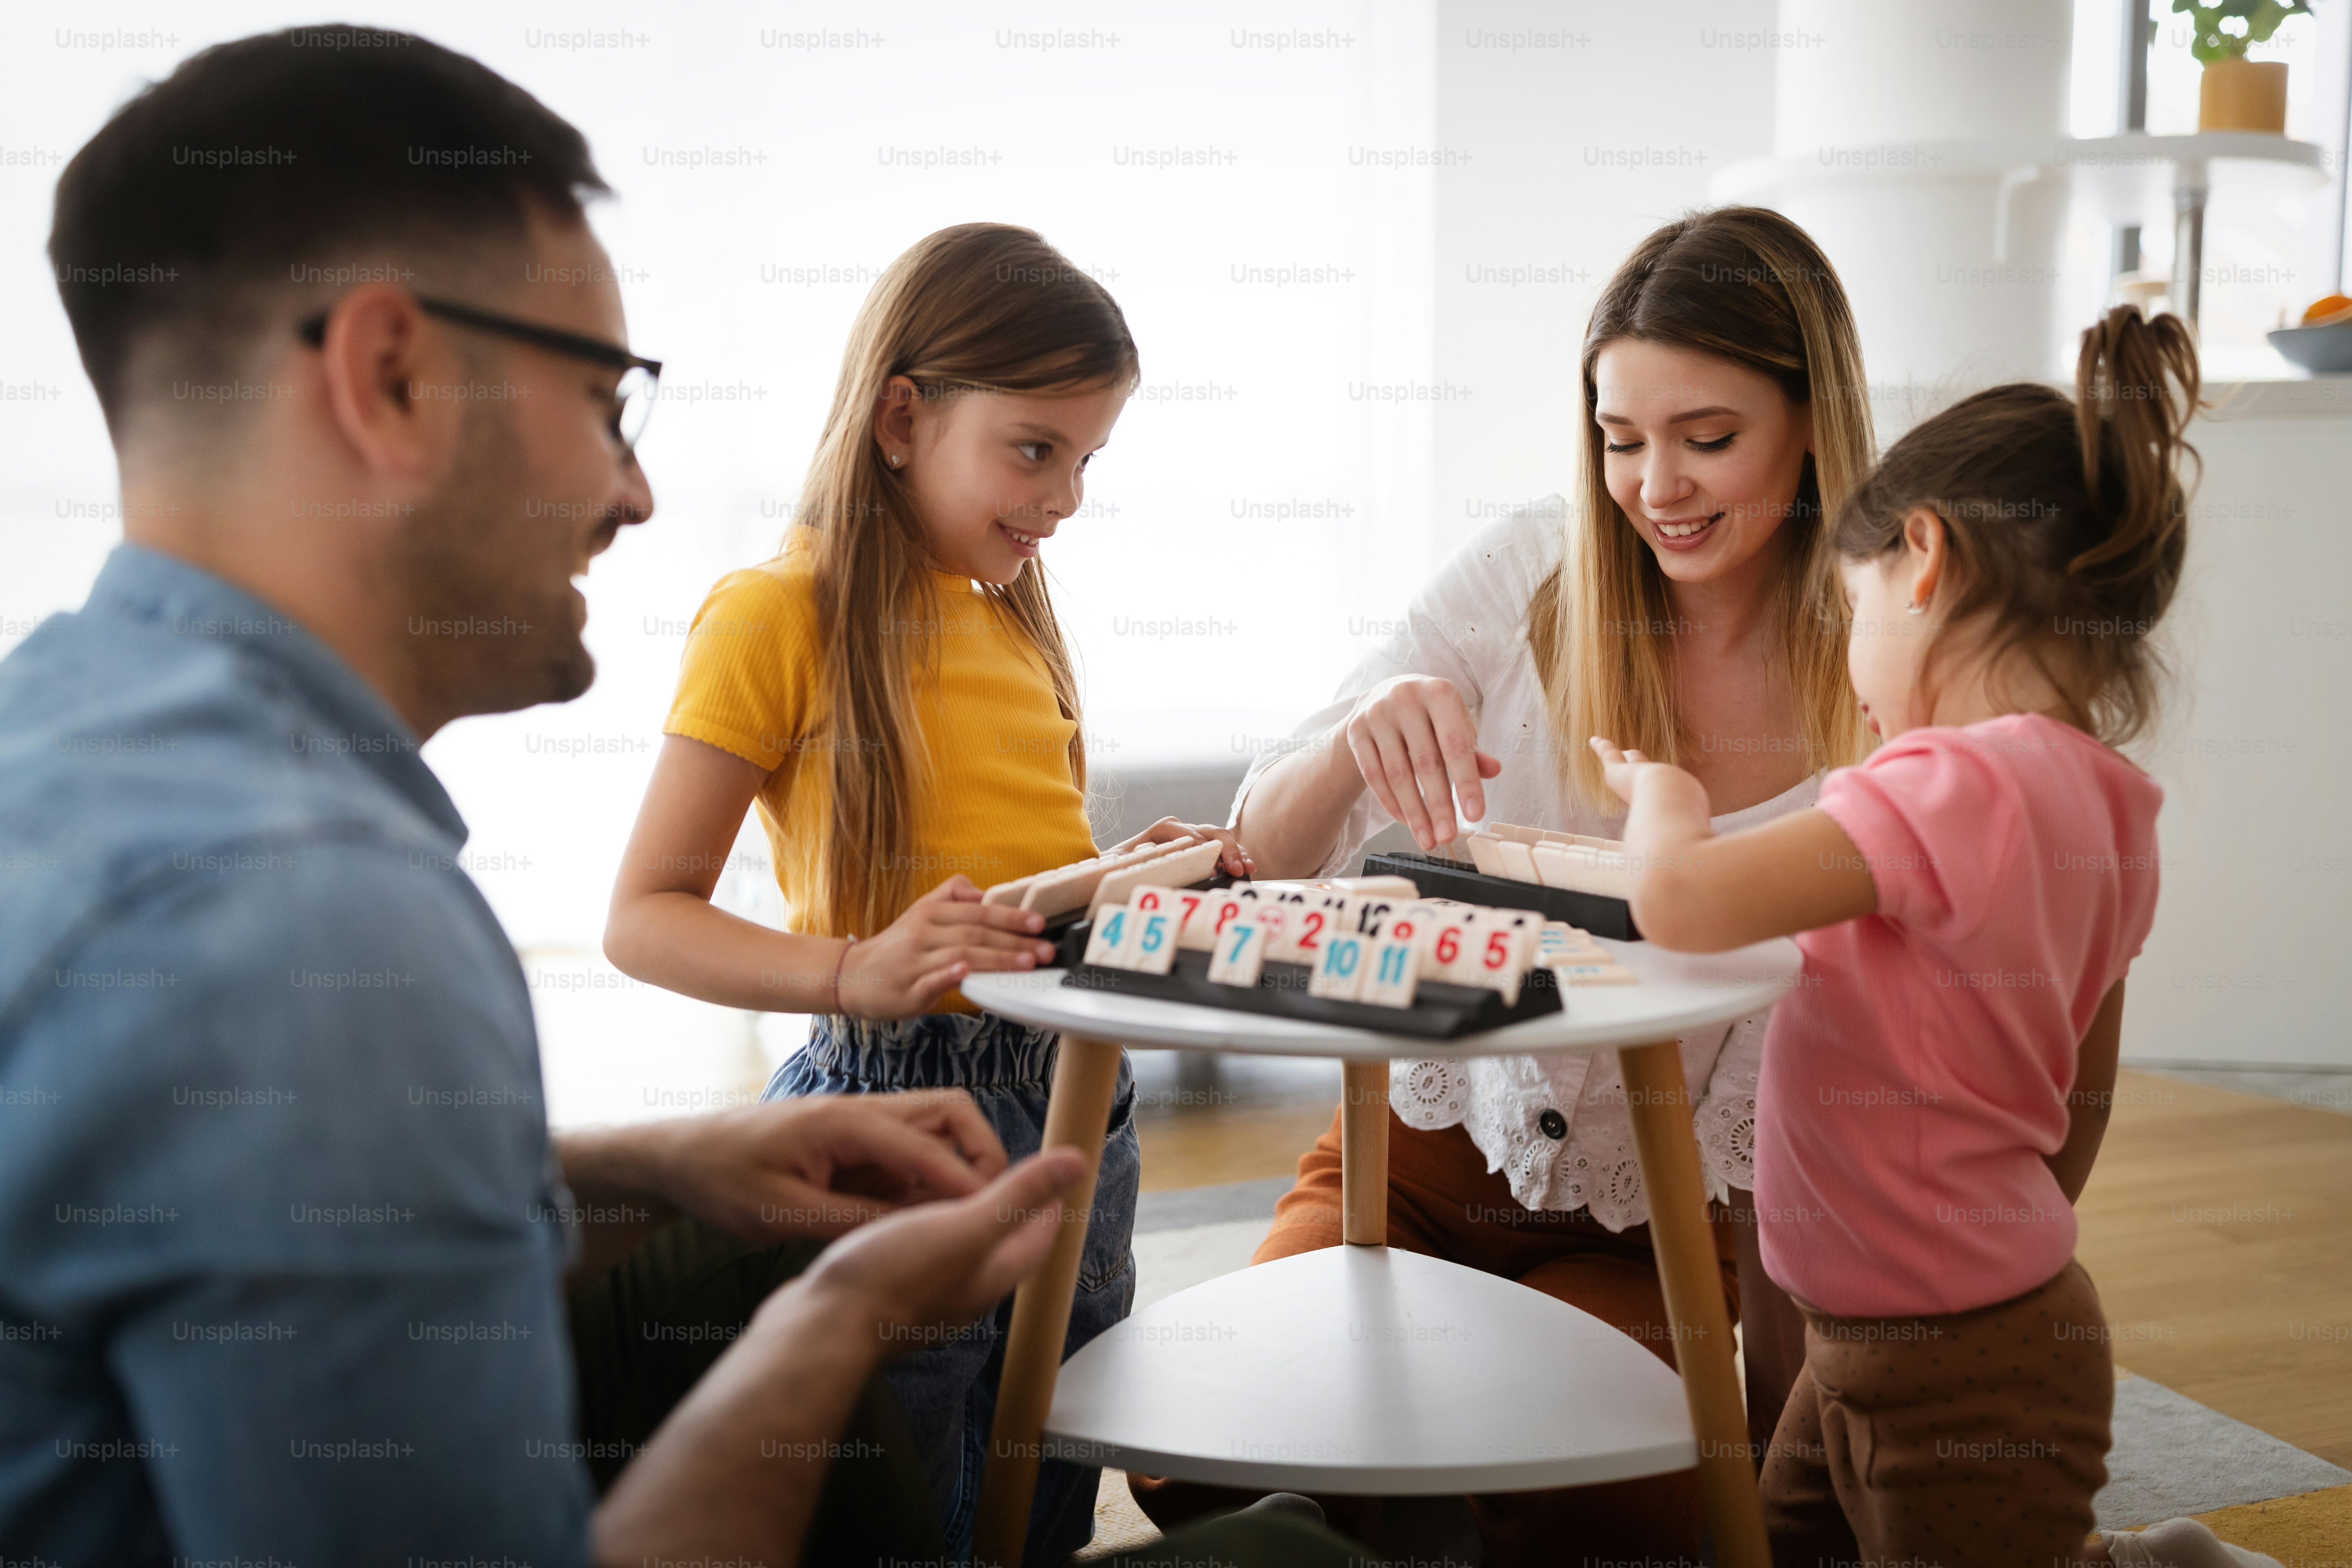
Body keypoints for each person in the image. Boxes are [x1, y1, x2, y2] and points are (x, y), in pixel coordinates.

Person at [0, 28, 1354, 1568]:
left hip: (1042, 1083)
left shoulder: (61, 735)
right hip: (905, 1081)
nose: (635, 492)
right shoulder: (306, 917)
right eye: (603, 396)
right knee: (1301, 1555)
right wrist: (831, 1322)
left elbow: (237, 1191)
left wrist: (639, 1167)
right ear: (389, 377)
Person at [1135, 206, 1885, 1560]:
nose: (1657, 484)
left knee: (1601, 1489)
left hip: (1666, 1218)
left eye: (1708, 438)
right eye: (1621, 440)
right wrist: (1355, 738)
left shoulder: (1888, 667)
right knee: (1199, 1469)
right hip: (1422, 1167)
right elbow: (1266, 847)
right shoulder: (1527, 571)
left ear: (1814, 419)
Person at [603, 220, 1249, 1564]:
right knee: (903, 1478)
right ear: (903, 416)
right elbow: (643, 915)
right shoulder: (776, 611)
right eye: (1035, 449)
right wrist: (846, 971)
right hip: (894, 1104)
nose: (1065, 496)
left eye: (1086, 460)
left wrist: (1108, 880)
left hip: (1081, 1096)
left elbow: (996, 880)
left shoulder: (1012, 609)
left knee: (1054, 1441)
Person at [1594, 306, 2276, 1568]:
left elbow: (1679, 904)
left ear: (1923, 558)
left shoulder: (1936, 782)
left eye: (1851, 612)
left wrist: (1665, 799)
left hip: (1950, 1362)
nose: (1849, 662)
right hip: (1931, 1327)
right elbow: (2077, 1081)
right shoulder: (2112, 805)